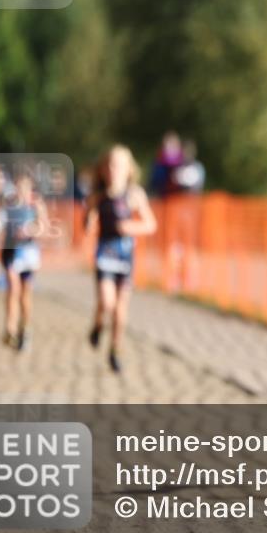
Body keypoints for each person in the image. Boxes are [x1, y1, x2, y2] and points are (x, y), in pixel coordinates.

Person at [85, 145, 157, 373]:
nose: (112, 169)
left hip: (125, 257)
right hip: (105, 255)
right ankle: (98, 325)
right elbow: (87, 224)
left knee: (120, 309)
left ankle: (116, 350)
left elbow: (150, 224)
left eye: (118, 165)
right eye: (109, 165)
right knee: (107, 302)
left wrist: (130, 227)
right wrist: (89, 218)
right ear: (103, 170)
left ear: (128, 169)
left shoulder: (135, 195)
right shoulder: (98, 196)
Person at [0, 171, 48, 351]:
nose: (21, 191)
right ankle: (9, 328)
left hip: (29, 254)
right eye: (18, 187)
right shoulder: (8, 203)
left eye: (25, 187)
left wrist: (31, 230)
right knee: (13, 288)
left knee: (25, 294)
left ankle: (25, 328)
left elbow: (44, 227)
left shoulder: (36, 205)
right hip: (10, 252)